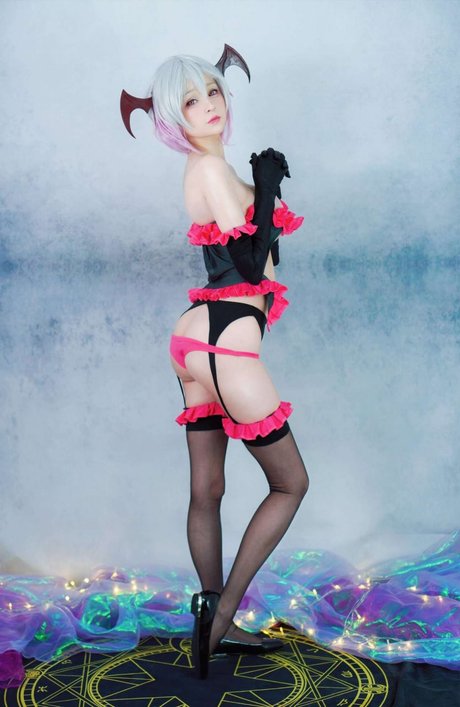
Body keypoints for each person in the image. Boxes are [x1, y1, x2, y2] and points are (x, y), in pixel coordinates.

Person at [121, 45, 309, 680]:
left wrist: (259, 190)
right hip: (227, 337)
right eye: (191, 101)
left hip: (194, 337)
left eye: (213, 92)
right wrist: (267, 189)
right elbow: (252, 265)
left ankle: (209, 612)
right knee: (290, 484)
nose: (208, 106)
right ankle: (221, 620)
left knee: (208, 488)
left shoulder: (209, 168)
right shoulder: (208, 169)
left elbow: (246, 252)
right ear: (172, 117)